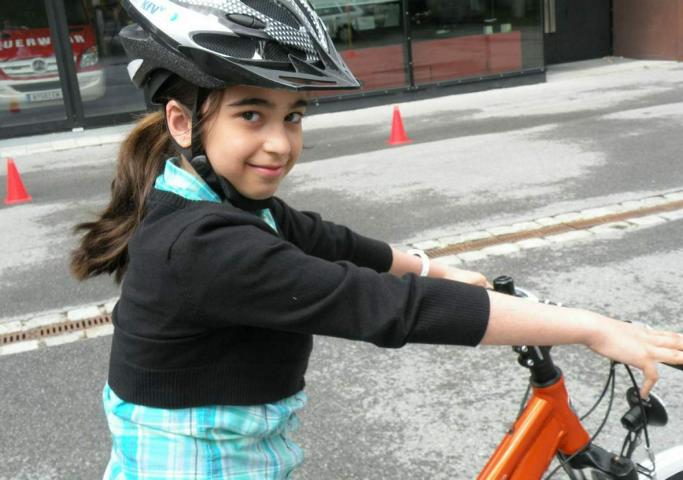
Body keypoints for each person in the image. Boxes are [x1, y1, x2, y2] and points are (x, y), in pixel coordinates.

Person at [70, 0, 683, 478]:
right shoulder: (203, 248)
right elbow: (385, 306)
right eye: (251, 114)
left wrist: (431, 268)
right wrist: (589, 327)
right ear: (182, 122)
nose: (280, 143)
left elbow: (325, 238)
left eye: (293, 115)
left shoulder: (216, 203)